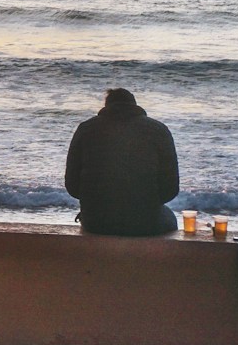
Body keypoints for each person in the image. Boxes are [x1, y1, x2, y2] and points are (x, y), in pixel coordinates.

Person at [63, 87, 179, 236]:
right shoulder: (159, 129)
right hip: (145, 220)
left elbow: (72, 186)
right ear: (134, 105)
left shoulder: (86, 129)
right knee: (170, 219)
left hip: (96, 221)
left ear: (106, 106)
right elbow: (170, 189)